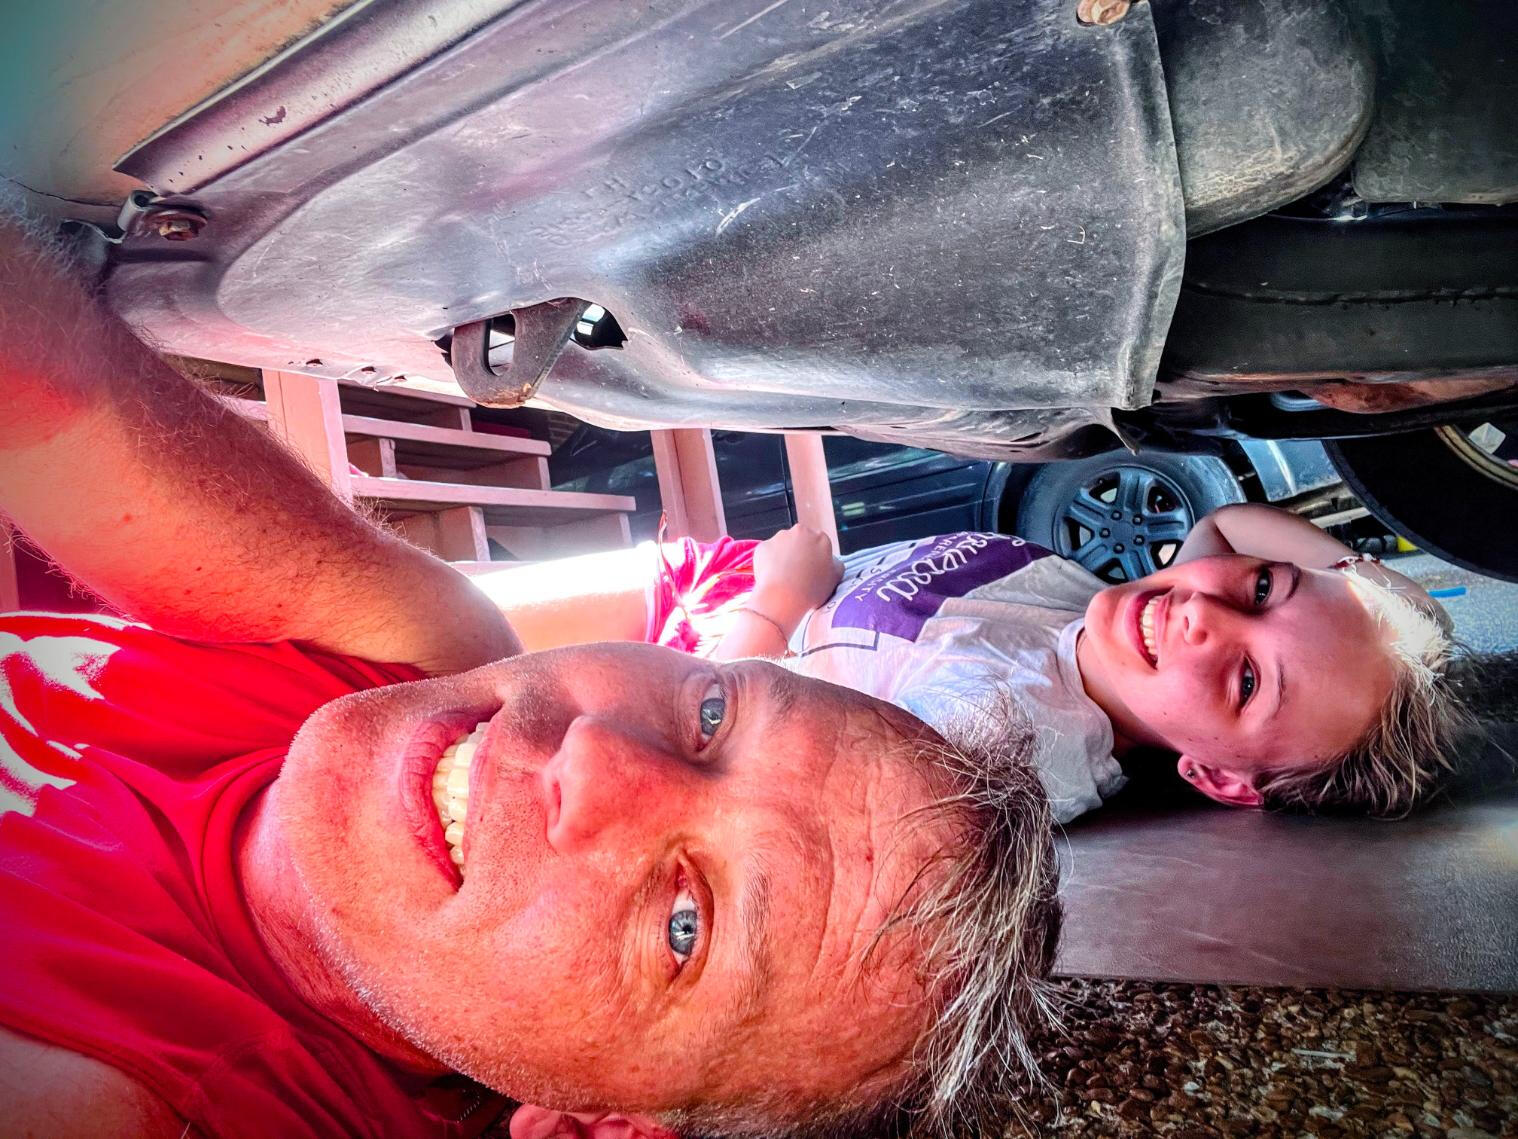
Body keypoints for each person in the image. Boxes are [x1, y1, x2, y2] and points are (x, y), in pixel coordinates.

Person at [0, 208, 1063, 1137]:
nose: (597, 754)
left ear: (595, 1125)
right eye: (711, 712)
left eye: (684, 926)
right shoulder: (426, 650)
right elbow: (51, 392)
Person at [480, 506, 1469, 823]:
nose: (1204, 614)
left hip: (686, 651)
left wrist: (775, 597)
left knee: (455, 611)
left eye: (1249, 681)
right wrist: (1365, 583)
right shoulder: (1108, 627)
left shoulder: (1008, 737)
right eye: (1259, 590)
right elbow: (1222, 526)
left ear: (1217, 776)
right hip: (728, 586)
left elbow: (735, 777)